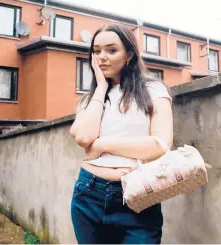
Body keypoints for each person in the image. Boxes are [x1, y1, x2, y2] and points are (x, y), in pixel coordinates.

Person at [69, 23, 173, 244]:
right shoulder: (90, 100)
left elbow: (160, 146)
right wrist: (99, 88)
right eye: (96, 51)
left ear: (129, 54)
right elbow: (84, 138)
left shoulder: (153, 90)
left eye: (111, 50)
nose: (101, 57)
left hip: (138, 196)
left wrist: (102, 144)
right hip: (89, 193)